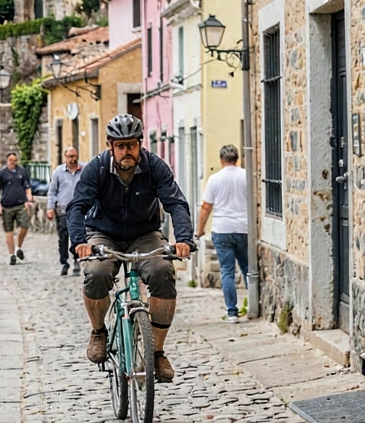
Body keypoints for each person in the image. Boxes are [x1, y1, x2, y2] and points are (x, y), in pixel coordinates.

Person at [69, 113, 193, 382]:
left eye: (133, 145)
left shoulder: (154, 167)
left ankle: (157, 352)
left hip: (144, 234)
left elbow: (176, 203)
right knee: (97, 273)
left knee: (163, 272)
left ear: (140, 144)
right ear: (110, 146)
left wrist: (184, 238)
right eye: (121, 145)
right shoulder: (97, 169)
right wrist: (80, 242)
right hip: (103, 233)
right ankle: (98, 332)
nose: (127, 151)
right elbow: (77, 207)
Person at [196, 144, 249, 322]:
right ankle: (253, 306)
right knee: (248, 269)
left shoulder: (214, 179)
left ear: (221, 160)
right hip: (243, 228)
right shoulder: (246, 176)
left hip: (222, 229)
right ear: (237, 159)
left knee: (227, 271)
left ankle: (232, 312)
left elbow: (206, 207)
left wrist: (199, 230)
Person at [46, 147, 84, 277]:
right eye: (70, 156)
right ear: (65, 157)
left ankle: (76, 260)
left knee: (77, 236)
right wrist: (50, 208)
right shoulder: (58, 172)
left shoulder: (84, 169)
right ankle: (64, 262)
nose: (72, 159)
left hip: (79, 211)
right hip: (62, 210)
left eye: (74, 156)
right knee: (63, 238)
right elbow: (52, 191)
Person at [0, 152, 33, 265]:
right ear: (7, 160)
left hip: (21, 204)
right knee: (9, 231)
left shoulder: (22, 172)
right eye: (11, 160)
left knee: (24, 226)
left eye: (15, 160)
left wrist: (29, 200)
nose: (13, 162)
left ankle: (18, 248)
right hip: (7, 205)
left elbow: (27, 187)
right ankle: (12, 255)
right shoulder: (2, 173)